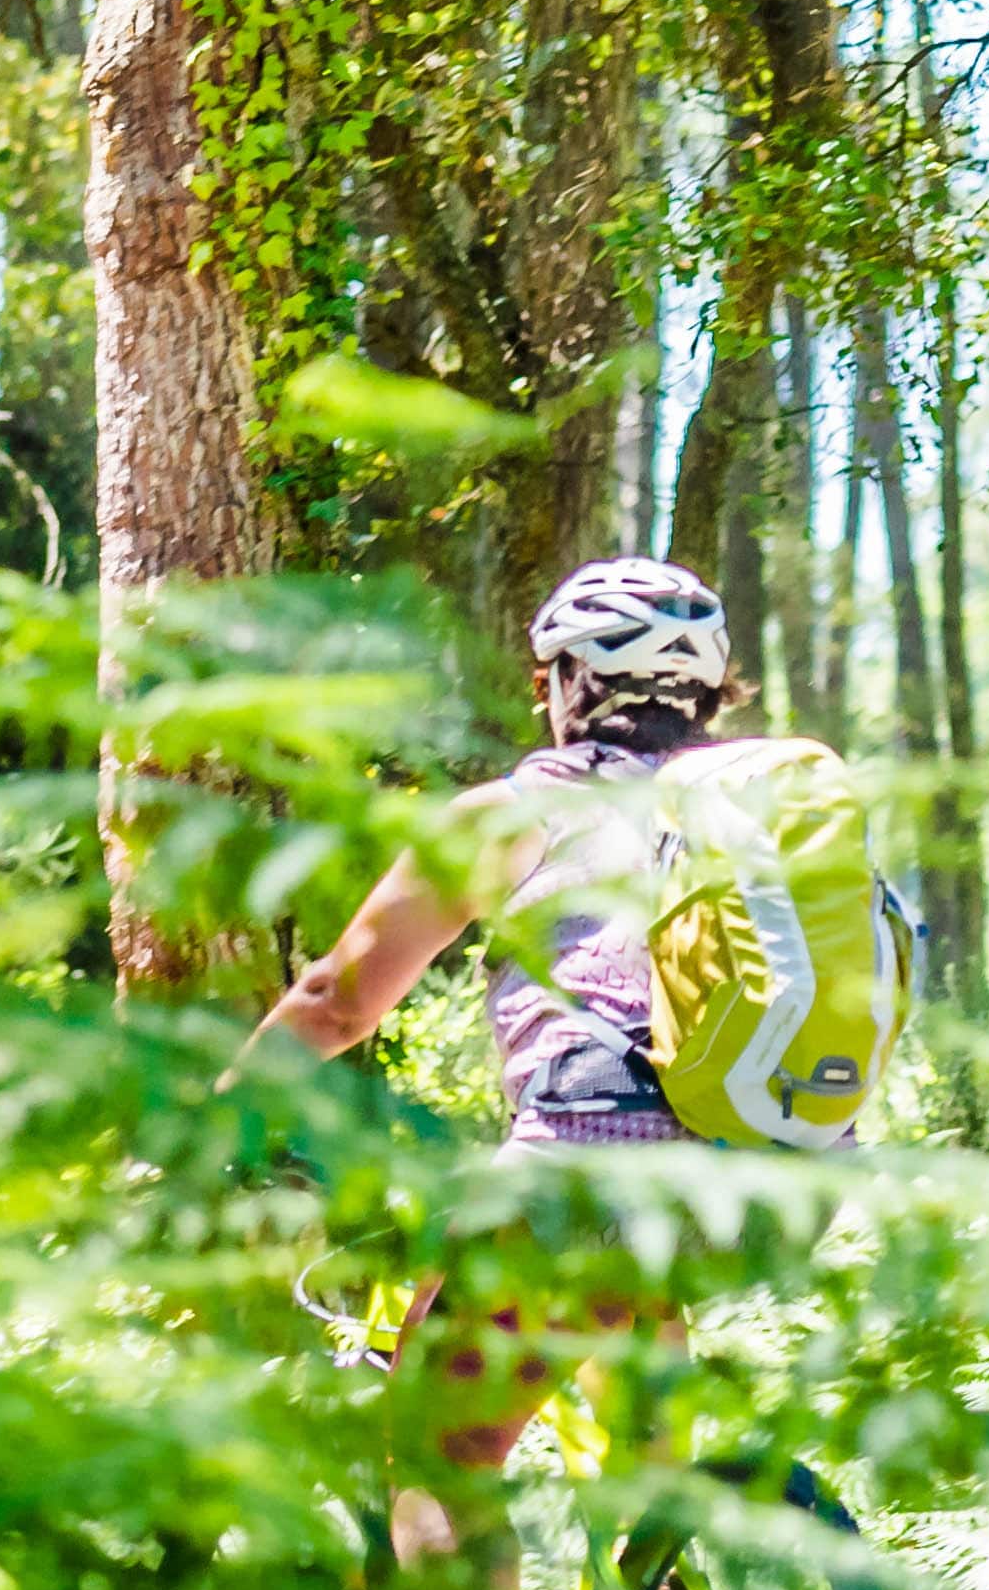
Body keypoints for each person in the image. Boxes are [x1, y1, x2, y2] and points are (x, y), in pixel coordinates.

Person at [252, 556, 787, 1511]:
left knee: (437, 1460)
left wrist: (222, 1113)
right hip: (752, 1180)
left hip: (584, 1169)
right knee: (644, 1471)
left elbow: (337, 1001)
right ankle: (668, 1576)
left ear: (566, 684)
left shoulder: (514, 814)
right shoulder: (759, 813)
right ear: (708, 695)